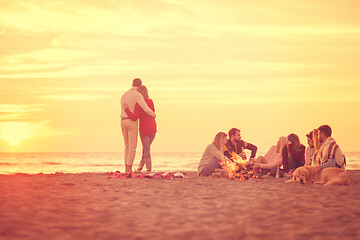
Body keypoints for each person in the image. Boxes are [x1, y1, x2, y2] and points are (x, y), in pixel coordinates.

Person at [120, 78, 156, 174]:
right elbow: (146, 109)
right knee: (132, 146)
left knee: (126, 145)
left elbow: (122, 107)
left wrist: (126, 110)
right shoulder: (138, 95)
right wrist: (154, 115)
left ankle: (126, 168)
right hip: (131, 121)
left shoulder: (124, 94)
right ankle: (130, 168)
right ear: (140, 85)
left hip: (122, 120)